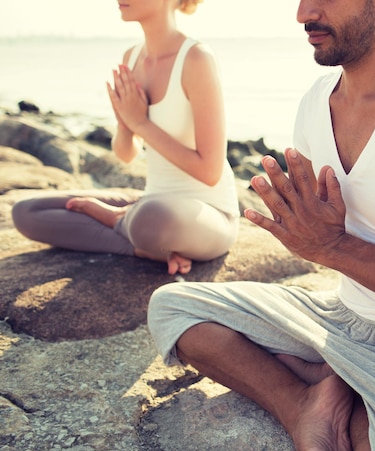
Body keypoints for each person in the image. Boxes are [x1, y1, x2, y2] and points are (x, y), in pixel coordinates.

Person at [148, 0, 375, 451]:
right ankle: (303, 405)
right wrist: (311, 235)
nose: (303, 14)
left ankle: (337, 381)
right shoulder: (316, 102)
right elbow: (315, 230)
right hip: (339, 321)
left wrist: (332, 247)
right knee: (172, 308)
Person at [11, 0, 240, 275]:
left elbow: (210, 171)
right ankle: (142, 248)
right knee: (27, 212)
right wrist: (125, 124)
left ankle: (120, 220)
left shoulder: (196, 58)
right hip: (151, 202)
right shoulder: (131, 58)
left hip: (208, 216)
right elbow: (126, 153)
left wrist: (140, 123)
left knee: (152, 217)